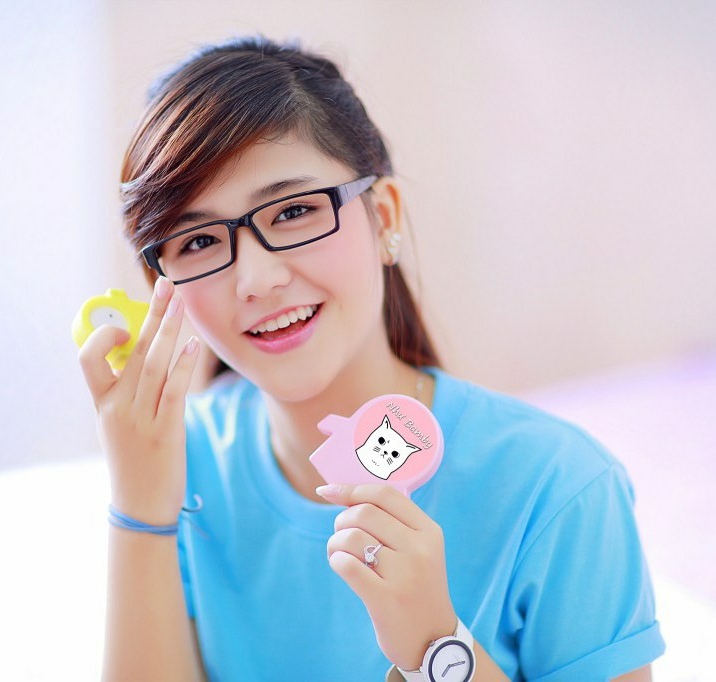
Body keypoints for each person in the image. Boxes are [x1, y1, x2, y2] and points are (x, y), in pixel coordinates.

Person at [78, 36, 665, 682]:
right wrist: (140, 512)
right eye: (197, 241)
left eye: (294, 211)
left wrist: (435, 647)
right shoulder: (178, 465)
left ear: (383, 216)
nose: (256, 279)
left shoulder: (559, 488)